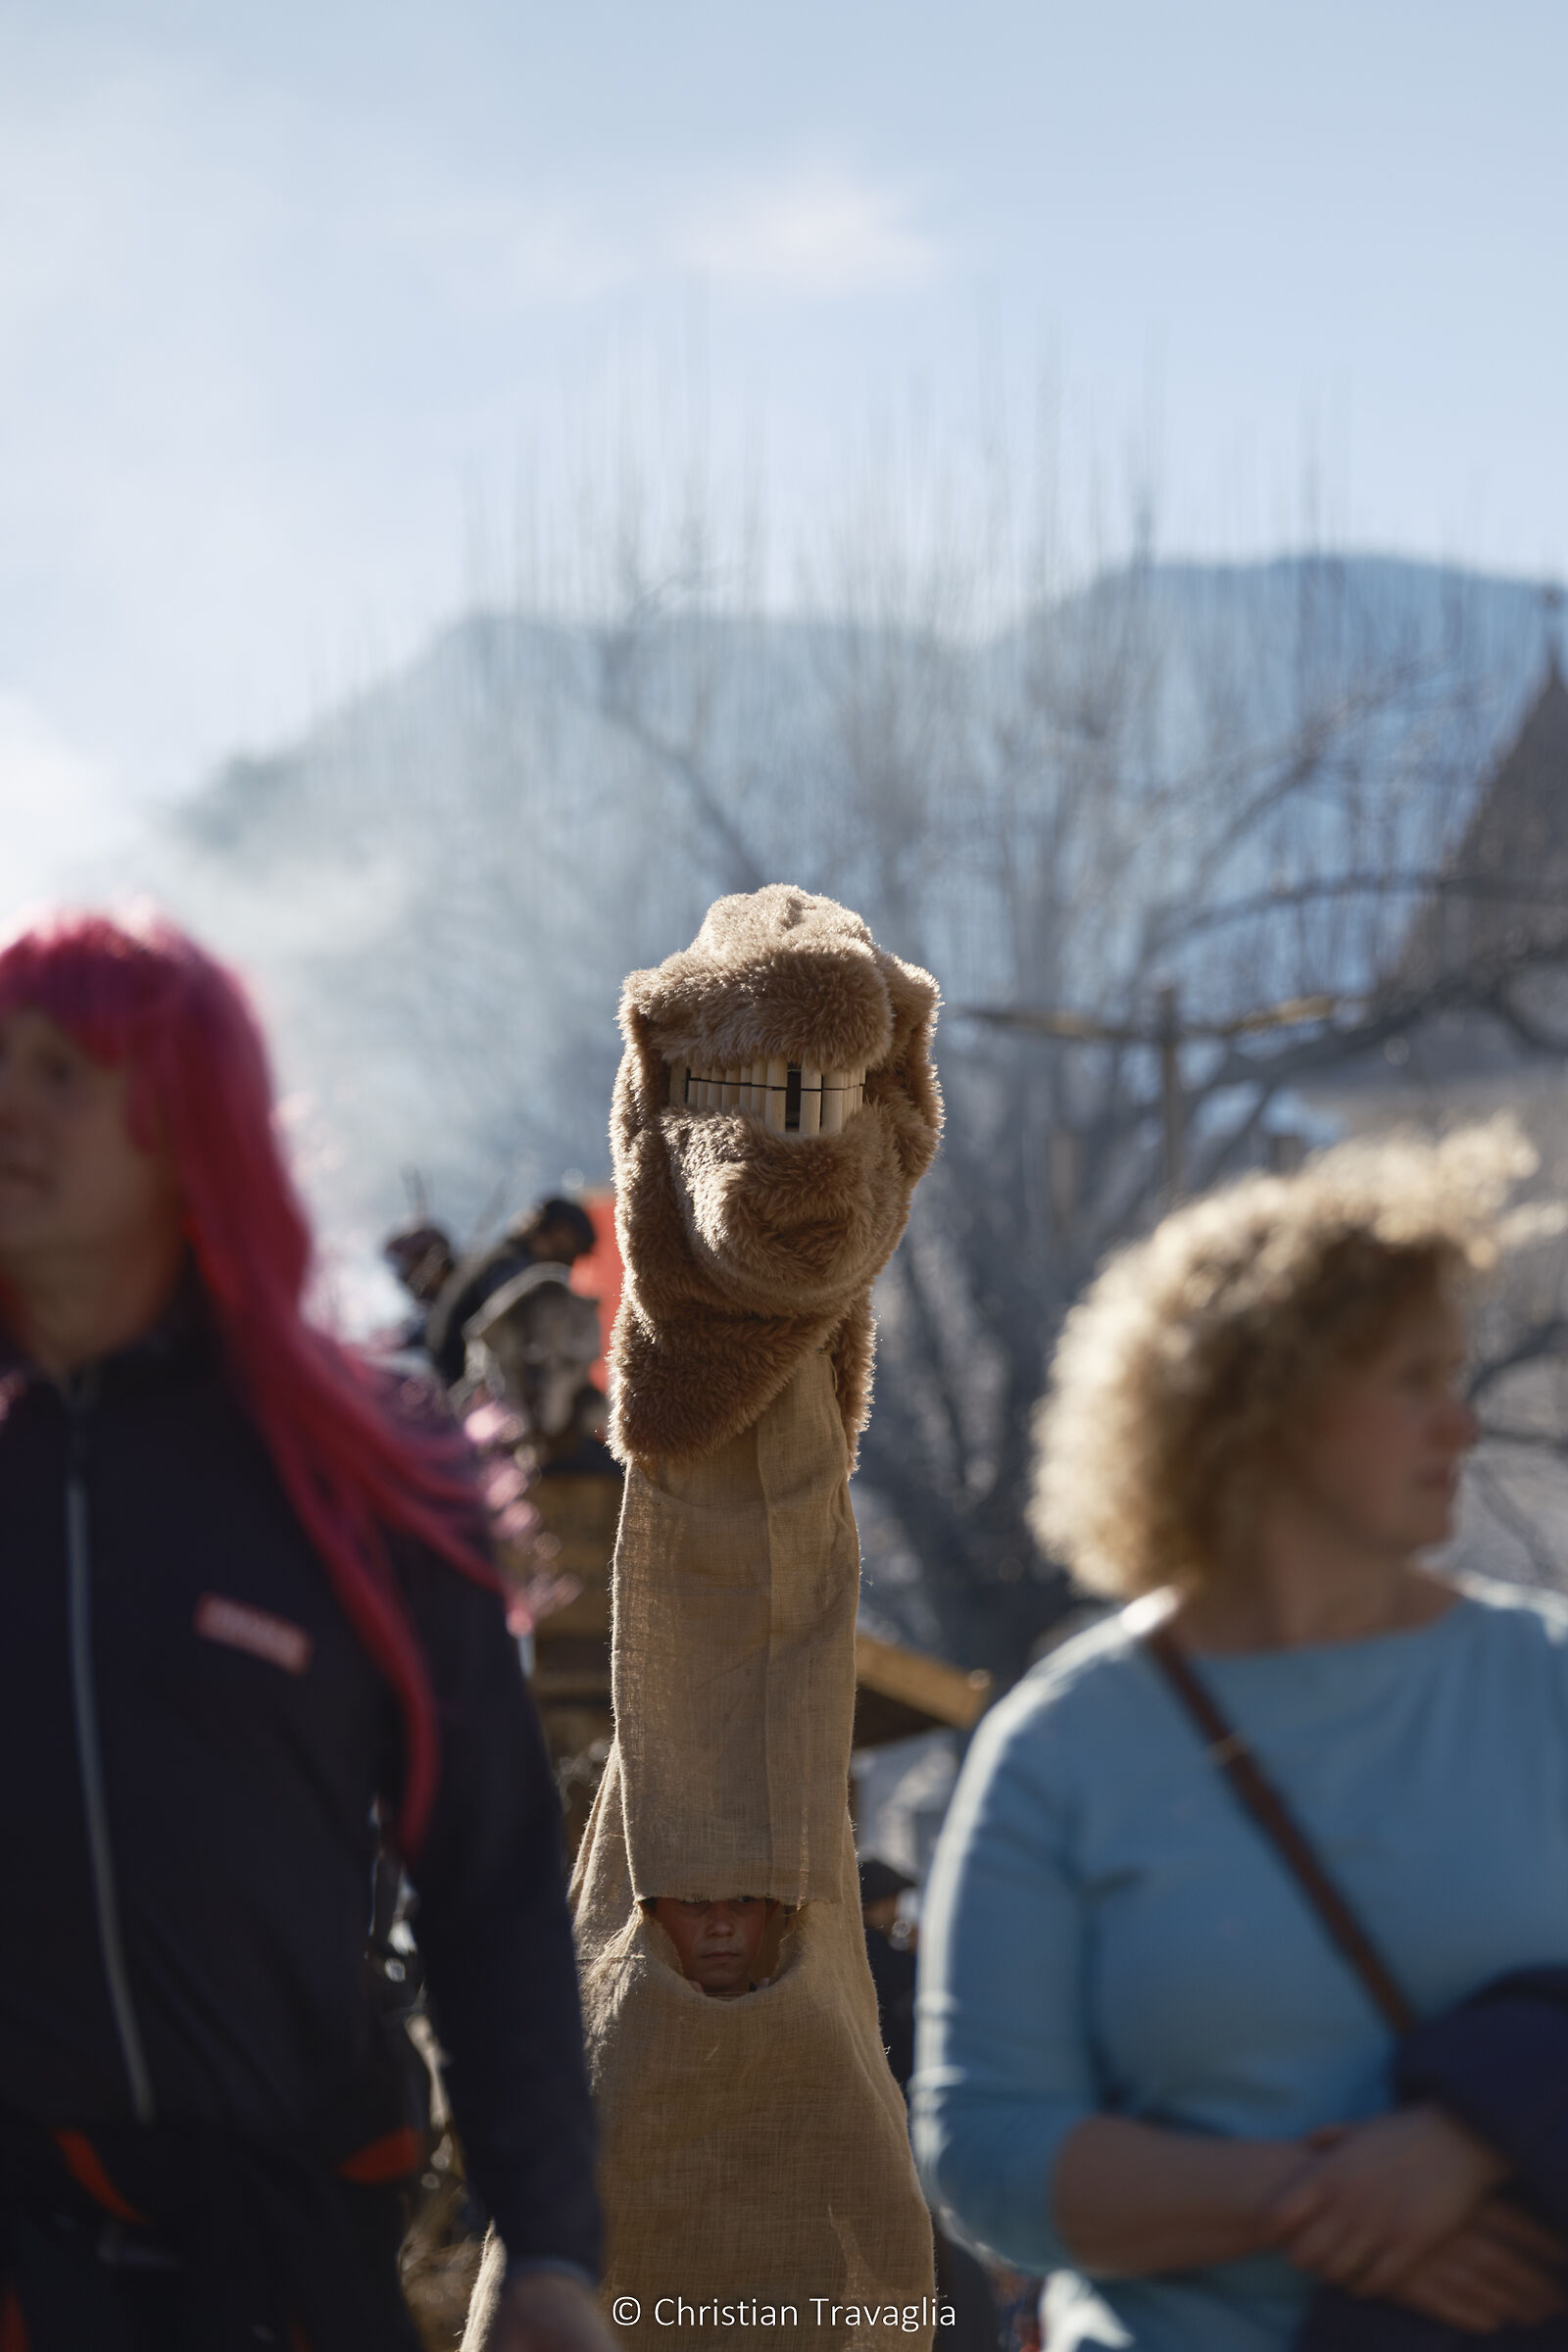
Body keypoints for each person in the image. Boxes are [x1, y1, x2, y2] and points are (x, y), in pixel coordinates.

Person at [0, 910, 615, 2352]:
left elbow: (491, 1889)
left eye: (62, 1073)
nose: (8, 1107)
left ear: (183, 1124)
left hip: (285, 2268)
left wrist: (551, 2251)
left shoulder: (366, 1477)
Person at [912, 1128, 1568, 2351]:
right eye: (1414, 1381)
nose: (1462, 1428)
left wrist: (1473, 2132)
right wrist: (1320, 2206)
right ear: (1265, 1403)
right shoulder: (1059, 1746)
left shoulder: (1549, 1683)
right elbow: (985, 2155)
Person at [426, 1199, 598, 1388]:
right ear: (560, 1232)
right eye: (576, 1247)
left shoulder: (499, 1259)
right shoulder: (516, 1271)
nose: (573, 1262)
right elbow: (506, 1340)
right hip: (468, 1391)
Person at [642, 1897, 779, 1999]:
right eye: (693, 1899)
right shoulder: (628, 2032)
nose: (721, 1928)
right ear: (649, 1914)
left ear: (768, 1913)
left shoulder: (794, 2029)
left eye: (744, 1899)